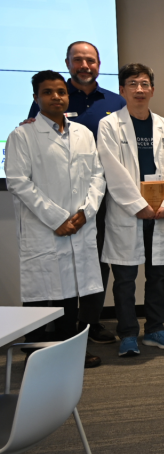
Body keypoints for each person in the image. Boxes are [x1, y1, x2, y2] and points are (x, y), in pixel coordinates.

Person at [24, 42, 126, 347]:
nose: (85, 65)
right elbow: (33, 135)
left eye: (90, 60)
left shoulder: (115, 101)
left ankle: (90, 322)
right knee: (59, 263)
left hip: (101, 197)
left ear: (99, 63)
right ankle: (61, 326)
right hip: (57, 200)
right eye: (78, 60)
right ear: (67, 63)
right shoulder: (51, 95)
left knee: (96, 261)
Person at [7, 71, 106, 368]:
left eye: (61, 91)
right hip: (45, 228)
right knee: (41, 293)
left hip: (78, 224)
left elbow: (97, 175)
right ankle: (36, 352)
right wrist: (57, 218)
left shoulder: (82, 133)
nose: (56, 97)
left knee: (71, 293)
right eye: (48, 92)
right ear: (36, 97)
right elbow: (17, 181)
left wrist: (85, 212)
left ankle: (69, 349)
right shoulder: (21, 135)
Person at [96, 63, 164, 357]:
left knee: (158, 276)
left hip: (159, 213)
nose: (139, 89)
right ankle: (128, 333)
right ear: (123, 90)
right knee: (125, 279)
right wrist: (138, 205)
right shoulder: (109, 126)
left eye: (145, 84)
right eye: (133, 84)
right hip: (127, 213)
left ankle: (155, 329)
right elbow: (112, 171)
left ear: (153, 90)